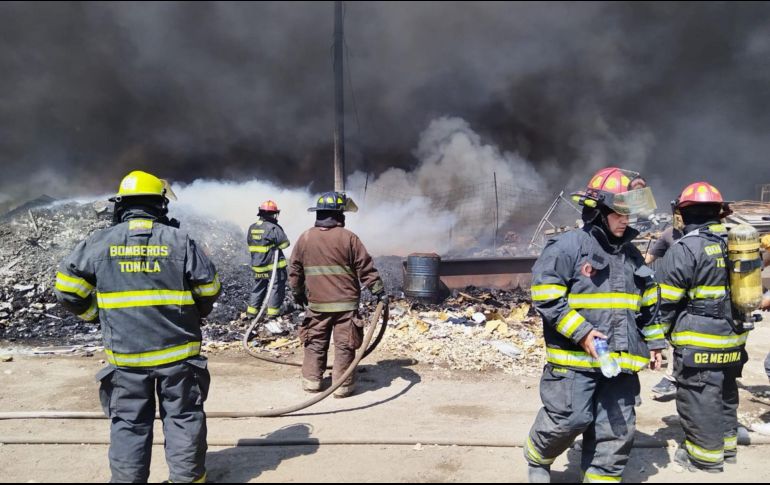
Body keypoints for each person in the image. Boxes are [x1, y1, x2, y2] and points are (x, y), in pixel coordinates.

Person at [54, 170, 221, 483]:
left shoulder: (98, 242)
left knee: (129, 425)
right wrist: (192, 314)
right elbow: (209, 289)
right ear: (160, 205)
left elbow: (67, 288)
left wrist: (95, 314)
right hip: (178, 356)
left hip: (126, 359)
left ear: (122, 205)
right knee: (183, 418)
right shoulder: (180, 241)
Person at [525, 167, 664, 483]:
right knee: (568, 421)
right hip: (575, 364)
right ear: (598, 210)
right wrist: (583, 332)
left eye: (628, 214)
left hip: (620, 365)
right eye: (619, 213)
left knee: (616, 433)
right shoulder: (569, 246)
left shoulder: (631, 255)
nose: (625, 221)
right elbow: (545, 295)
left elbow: (646, 305)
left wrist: (655, 342)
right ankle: (537, 457)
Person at [656, 181, 744, 472]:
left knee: (700, 397)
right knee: (726, 392)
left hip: (699, 341)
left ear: (683, 213)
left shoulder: (685, 249)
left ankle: (704, 458)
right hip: (734, 339)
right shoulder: (738, 243)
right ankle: (728, 448)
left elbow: (664, 303)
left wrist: (658, 339)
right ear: (719, 212)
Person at [288, 191, 386, 398]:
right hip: (345, 305)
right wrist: (379, 292)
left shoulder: (305, 238)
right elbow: (365, 268)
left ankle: (312, 381)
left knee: (315, 342)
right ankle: (342, 386)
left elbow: (295, 270)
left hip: (318, 304)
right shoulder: (349, 238)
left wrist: (297, 294)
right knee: (345, 345)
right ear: (339, 215)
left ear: (320, 214)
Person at [246, 200, 290, 320]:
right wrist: (274, 245)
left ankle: (251, 313)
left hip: (257, 265)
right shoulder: (273, 227)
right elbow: (285, 243)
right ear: (273, 214)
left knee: (258, 287)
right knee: (276, 287)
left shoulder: (252, 227)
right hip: (273, 266)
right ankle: (272, 313)